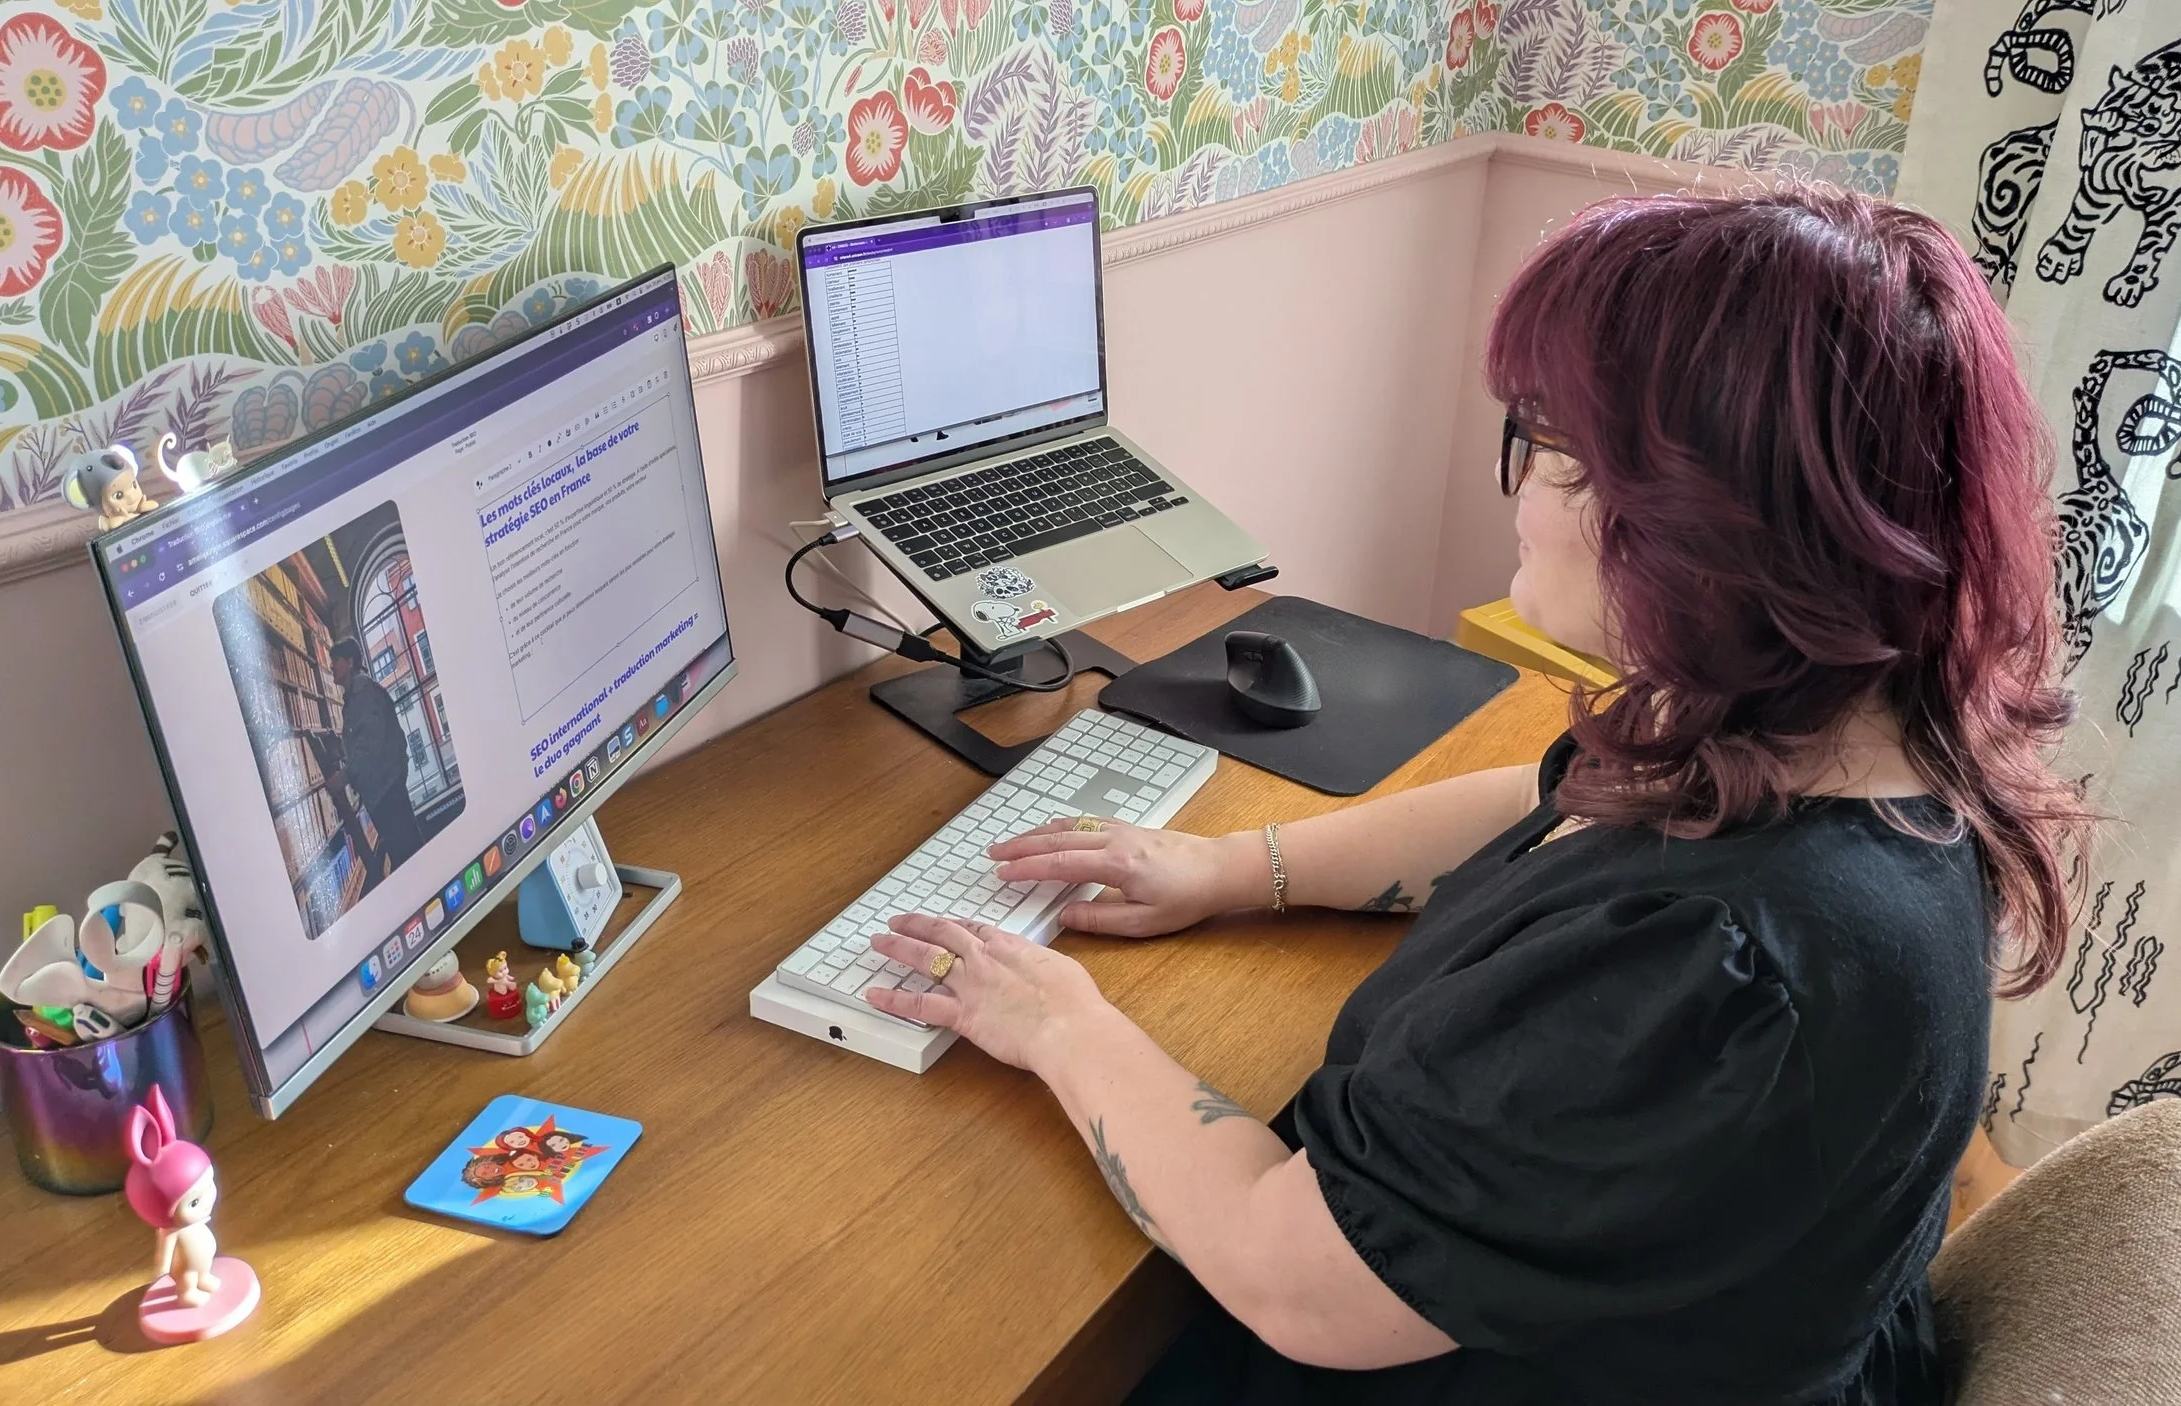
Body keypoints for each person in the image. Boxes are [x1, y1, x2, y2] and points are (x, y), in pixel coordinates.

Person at [862, 187, 2087, 1405]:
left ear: (1707, 522)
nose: (1519, 487)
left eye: (1552, 450)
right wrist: (1239, 869)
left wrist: (1060, 1024)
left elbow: (1289, 1273)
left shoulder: (1705, 965)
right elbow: (1552, 798)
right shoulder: (1857, 736)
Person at [329, 636, 419, 877]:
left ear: (349, 662)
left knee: (407, 854)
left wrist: (345, 776)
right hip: (382, 788)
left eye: (335, 660)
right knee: (404, 851)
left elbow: (370, 744)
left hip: (387, 788)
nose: (331, 666)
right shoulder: (354, 697)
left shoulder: (363, 694)